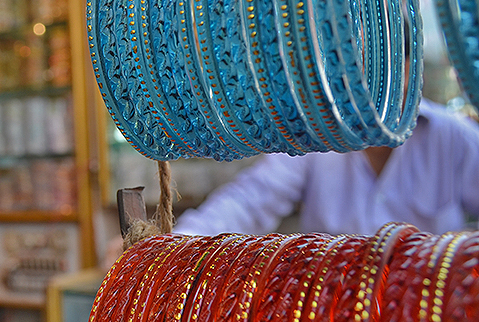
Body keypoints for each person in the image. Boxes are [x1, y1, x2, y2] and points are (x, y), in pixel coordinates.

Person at [173, 98, 479, 236]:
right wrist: (175, 250)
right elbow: (251, 200)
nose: (372, 88)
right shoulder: (316, 136)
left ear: (413, 71)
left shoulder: (453, 136)